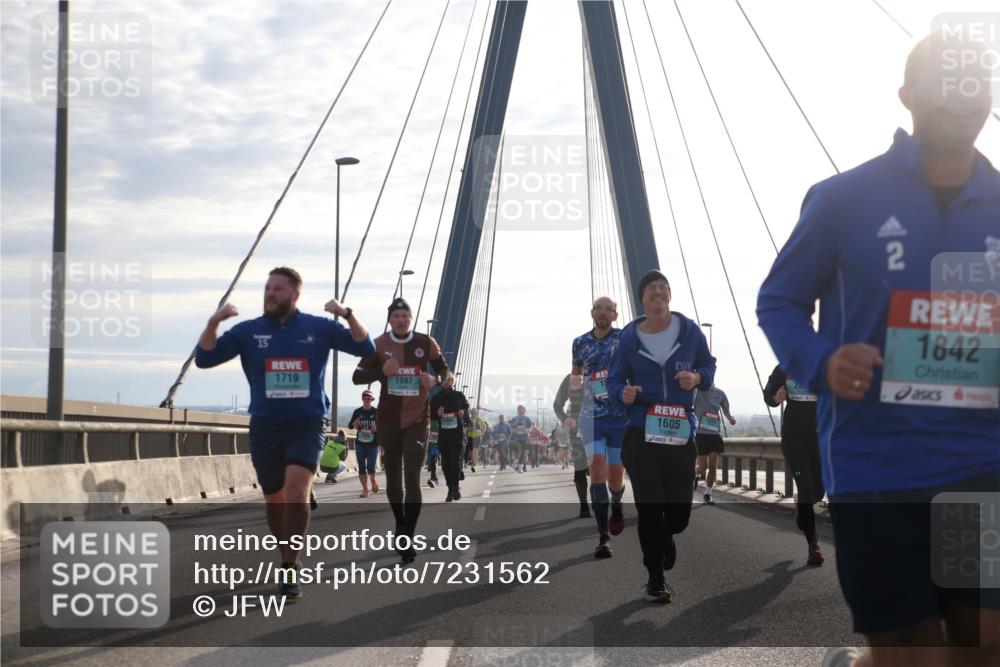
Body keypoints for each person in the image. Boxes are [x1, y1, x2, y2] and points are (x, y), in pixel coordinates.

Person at [757, 34, 998, 667]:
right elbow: (778, 300)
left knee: (981, 648)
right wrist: (821, 361)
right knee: (915, 656)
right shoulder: (842, 199)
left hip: (981, 467)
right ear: (907, 95)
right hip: (875, 471)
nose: (963, 95)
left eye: (977, 80)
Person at [195, 266, 374, 598]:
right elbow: (204, 359)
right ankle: (285, 550)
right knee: (275, 500)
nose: (270, 294)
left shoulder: (318, 327)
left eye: (277, 288)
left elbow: (367, 348)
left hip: (306, 423)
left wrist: (347, 314)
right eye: (267, 288)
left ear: (295, 294)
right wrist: (213, 322)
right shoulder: (248, 331)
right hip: (265, 427)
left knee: (295, 491)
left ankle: (291, 564)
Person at [608, 269, 715, 603]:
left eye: (663, 287)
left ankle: (667, 537)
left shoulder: (690, 332)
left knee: (679, 515)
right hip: (641, 433)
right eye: (651, 288)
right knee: (650, 508)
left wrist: (697, 377)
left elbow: (709, 367)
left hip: (680, 434)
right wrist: (621, 394)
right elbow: (613, 382)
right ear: (642, 298)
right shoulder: (628, 339)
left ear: (669, 295)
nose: (658, 291)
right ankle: (655, 576)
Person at [353, 297, 448, 563]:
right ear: (389, 319)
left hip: (418, 418)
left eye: (405, 316)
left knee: (412, 475)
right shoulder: (379, 344)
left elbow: (443, 370)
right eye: (396, 316)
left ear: (411, 318)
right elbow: (357, 376)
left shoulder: (425, 342)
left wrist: (435, 379)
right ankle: (399, 523)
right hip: (389, 420)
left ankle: (408, 535)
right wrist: (382, 370)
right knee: (393, 477)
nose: (402, 320)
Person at [572, 296, 629, 558]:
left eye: (609, 309)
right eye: (599, 308)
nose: (603, 312)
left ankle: (617, 501)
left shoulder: (624, 338)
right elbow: (576, 375)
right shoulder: (580, 343)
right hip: (591, 415)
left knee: (615, 475)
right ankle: (604, 536)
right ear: (591, 313)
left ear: (615, 316)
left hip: (620, 416)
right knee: (597, 467)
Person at [763, 365, 823, 565]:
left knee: (818, 492)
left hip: (820, 437)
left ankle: (803, 509)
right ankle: (813, 545)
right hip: (794, 436)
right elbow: (768, 392)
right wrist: (775, 397)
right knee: (805, 485)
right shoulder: (785, 366)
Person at [692, 383, 736, 505]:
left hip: (715, 434)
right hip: (700, 434)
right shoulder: (696, 390)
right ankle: (695, 474)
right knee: (702, 468)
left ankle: (707, 494)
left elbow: (726, 410)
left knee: (712, 465)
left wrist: (730, 418)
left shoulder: (720, 393)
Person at [430, 372, 471, 502]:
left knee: (455, 461)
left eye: (449, 380)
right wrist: (437, 413)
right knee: (446, 463)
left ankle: (455, 487)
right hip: (443, 435)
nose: (447, 382)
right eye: (444, 380)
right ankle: (449, 488)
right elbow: (430, 415)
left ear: (453, 381)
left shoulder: (459, 396)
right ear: (441, 381)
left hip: (456, 434)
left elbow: (466, 412)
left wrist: (462, 414)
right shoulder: (436, 398)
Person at [554, 372, 590, 518]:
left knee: (599, 467)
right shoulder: (570, 378)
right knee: (580, 468)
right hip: (578, 429)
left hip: (601, 427)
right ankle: (584, 505)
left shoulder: (604, 372)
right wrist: (564, 418)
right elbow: (557, 404)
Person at [349, 390, 380, 497]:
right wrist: (354, 423)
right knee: (362, 467)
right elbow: (350, 426)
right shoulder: (357, 411)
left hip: (373, 443)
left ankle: (372, 480)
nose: (366, 400)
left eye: (369, 398)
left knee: (371, 467)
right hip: (360, 443)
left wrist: (376, 429)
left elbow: (383, 427)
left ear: (372, 399)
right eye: (364, 398)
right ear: (362, 399)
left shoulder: (376, 412)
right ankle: (365, 489)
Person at [508, 406, 533, 473]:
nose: (519, 411)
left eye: (521, 410)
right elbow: (511, 428)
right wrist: (514, 429)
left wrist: (527, 430)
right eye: (518, 409)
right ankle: (515, 464)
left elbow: (531, 427)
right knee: (517, 453)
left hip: (524, 438)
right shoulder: (514, 419)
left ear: (523, 411)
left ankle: (520, 467)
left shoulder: (527, 419)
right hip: (516, 438)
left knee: (523, 452)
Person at [466, 408, 488, 472]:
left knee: (475, 450)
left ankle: (475, 464)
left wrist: (482, 433)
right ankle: (471, 462)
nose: (474, 414)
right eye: (473, 412)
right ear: (471, 413)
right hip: (470, 437)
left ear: (477, 413)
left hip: (477, 437)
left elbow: (484, 427)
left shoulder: (479, 420)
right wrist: (467, 429)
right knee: (470, 451)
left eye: (475, 412)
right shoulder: (469, 420)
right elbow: (465, 427)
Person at [426, 418, 440, 488]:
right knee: (431, 460)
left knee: (433, 459)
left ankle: (433, 478)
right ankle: (434, 478)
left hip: (437, 444)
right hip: (430, 444)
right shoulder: (429, 420)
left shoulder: (440, 420)